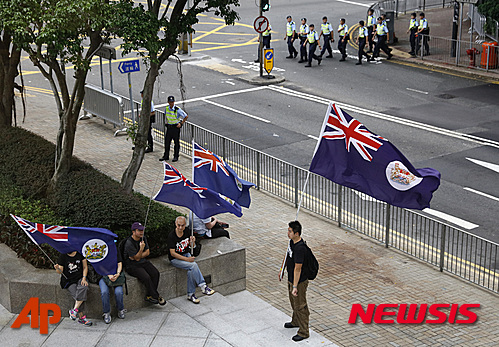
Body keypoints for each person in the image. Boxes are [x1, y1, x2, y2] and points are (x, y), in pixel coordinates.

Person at [168, 216, 215, 304]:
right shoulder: (172, 236)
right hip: (175, 259)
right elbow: (172, 253)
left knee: (191, 271)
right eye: (179, 225)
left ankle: (190, 294)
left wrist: (192, 242)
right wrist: (187, 259)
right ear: (175, 224)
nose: (180, 227)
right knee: (193, 265)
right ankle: (203, 286)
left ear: (185, 225)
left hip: (186, 254)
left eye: (182, 225)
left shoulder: (187, 231)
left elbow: (192, 247)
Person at [124, 222, 166, 305]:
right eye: (139, 230)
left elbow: (147, 252)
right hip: (132, 265)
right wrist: (141, 249)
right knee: (146, 277)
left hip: (142, 262)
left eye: (142, 230)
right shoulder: (129, 243)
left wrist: (139, 255)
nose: (141, 232)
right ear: (133, 231)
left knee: (155, 273)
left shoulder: (143, 238)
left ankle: (149, 296)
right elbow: (136, 258)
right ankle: (156, 296)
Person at [283, 221, 309, 342]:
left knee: (300, 305)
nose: (288, 233)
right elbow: (287, 255)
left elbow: (298, 269)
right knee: (294, 302)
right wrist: (282, 269)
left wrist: (295, 286)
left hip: (298, 281)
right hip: (291, 278)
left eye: (290, 231)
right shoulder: (292, 242)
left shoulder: (300, 249)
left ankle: (304, 331)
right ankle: (296, 321)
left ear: (296, 233)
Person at [55, 250, 92, 326]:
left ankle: (74, 310)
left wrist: (84, 278)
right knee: (77, 295)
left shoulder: (80, 254)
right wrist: (57, 268)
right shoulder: (63, 255)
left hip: (80, 278)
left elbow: (85, 267)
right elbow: (60, 271)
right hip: (69, 280)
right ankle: (81, 317)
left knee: (84, 287)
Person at [99, 244, 126, 324]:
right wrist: (108, 274)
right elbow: (99, 265)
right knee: (104, 292)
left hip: (115, 274)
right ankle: (106, 313)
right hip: (103, 275)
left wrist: (117, 274)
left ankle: (120, 309)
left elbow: (119, 263)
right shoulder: (99, 250)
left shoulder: (115, 248)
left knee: (119, 292)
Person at [159, 95, 188, 162]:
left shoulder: (177, 109)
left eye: (172, 102)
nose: (171, 103)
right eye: (170, 102)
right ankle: (166, 156)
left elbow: (185, 116)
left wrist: (181, 123)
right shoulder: (166, 108)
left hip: (175, 128)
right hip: (169, 127)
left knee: (176, 143)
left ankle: (176, 156)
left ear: (174, 102)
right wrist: (167, 122)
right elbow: (167, 115)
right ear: (168, 102)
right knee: (167, 142)